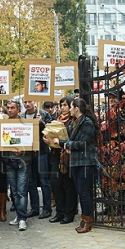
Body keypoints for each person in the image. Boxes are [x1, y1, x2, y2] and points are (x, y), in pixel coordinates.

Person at [52, 98, 100, 233]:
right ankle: (84, 219)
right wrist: (63, 143)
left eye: (71, 107)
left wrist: (65, 144)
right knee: (80, 191)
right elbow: (70, 140)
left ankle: (87, 220)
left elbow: (82, 143)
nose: (70, 110)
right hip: (76, 161)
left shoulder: (87, 122)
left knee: (83, 192)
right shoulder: (74, 122)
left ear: (76, 109)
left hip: (86, 162)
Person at [44, 96, 78, 224]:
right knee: (55, 183)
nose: (62, 107)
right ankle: (60, 212)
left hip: (68, 155)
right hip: (56, 154)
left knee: (68, 185)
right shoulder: (56, 119)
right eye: (61, 105)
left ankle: (69, 213)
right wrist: (48, 140)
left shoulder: (73, 121)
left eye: (65, 105)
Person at [2, 99, 30, 231]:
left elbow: (30, 141)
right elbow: (3, 140)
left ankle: (23, 218)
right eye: (8, 107)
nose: (10, 110)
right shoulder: (3, 124)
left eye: (12, 107)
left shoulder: (26, 123)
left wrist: (22, 150)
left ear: (19, 109)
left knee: (22, 191)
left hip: (23, 162)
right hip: (9, 161)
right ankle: (19, 216)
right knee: (14, 192)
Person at [21, 100, 52, 219]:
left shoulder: (43, 114)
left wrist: (41, 122)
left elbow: (50, 130)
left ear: (34, 101)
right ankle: (34, 208)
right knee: (31, 181)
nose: (27, 104)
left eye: (29, 101)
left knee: (44, 181)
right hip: (28, 152)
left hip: (41, 151)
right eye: (25, 102)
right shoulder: (21, 116)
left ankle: (47, 208)